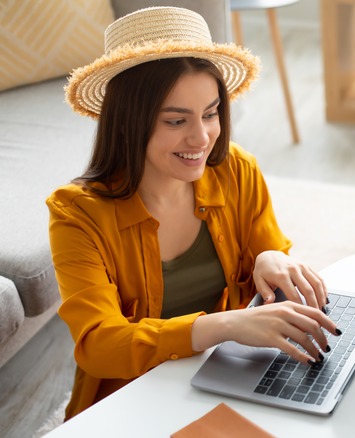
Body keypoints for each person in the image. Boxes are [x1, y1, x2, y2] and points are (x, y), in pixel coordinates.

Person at [46, 6, 338, 420]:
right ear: (129, 122)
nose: (201, 137)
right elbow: (98, 345)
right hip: (132, 400)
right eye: (176, 120)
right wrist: (225, 325)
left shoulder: (237, 171)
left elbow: (272, 265)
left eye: (211, 113)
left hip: (227, 379)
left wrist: (272, 258)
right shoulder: (76, 214)